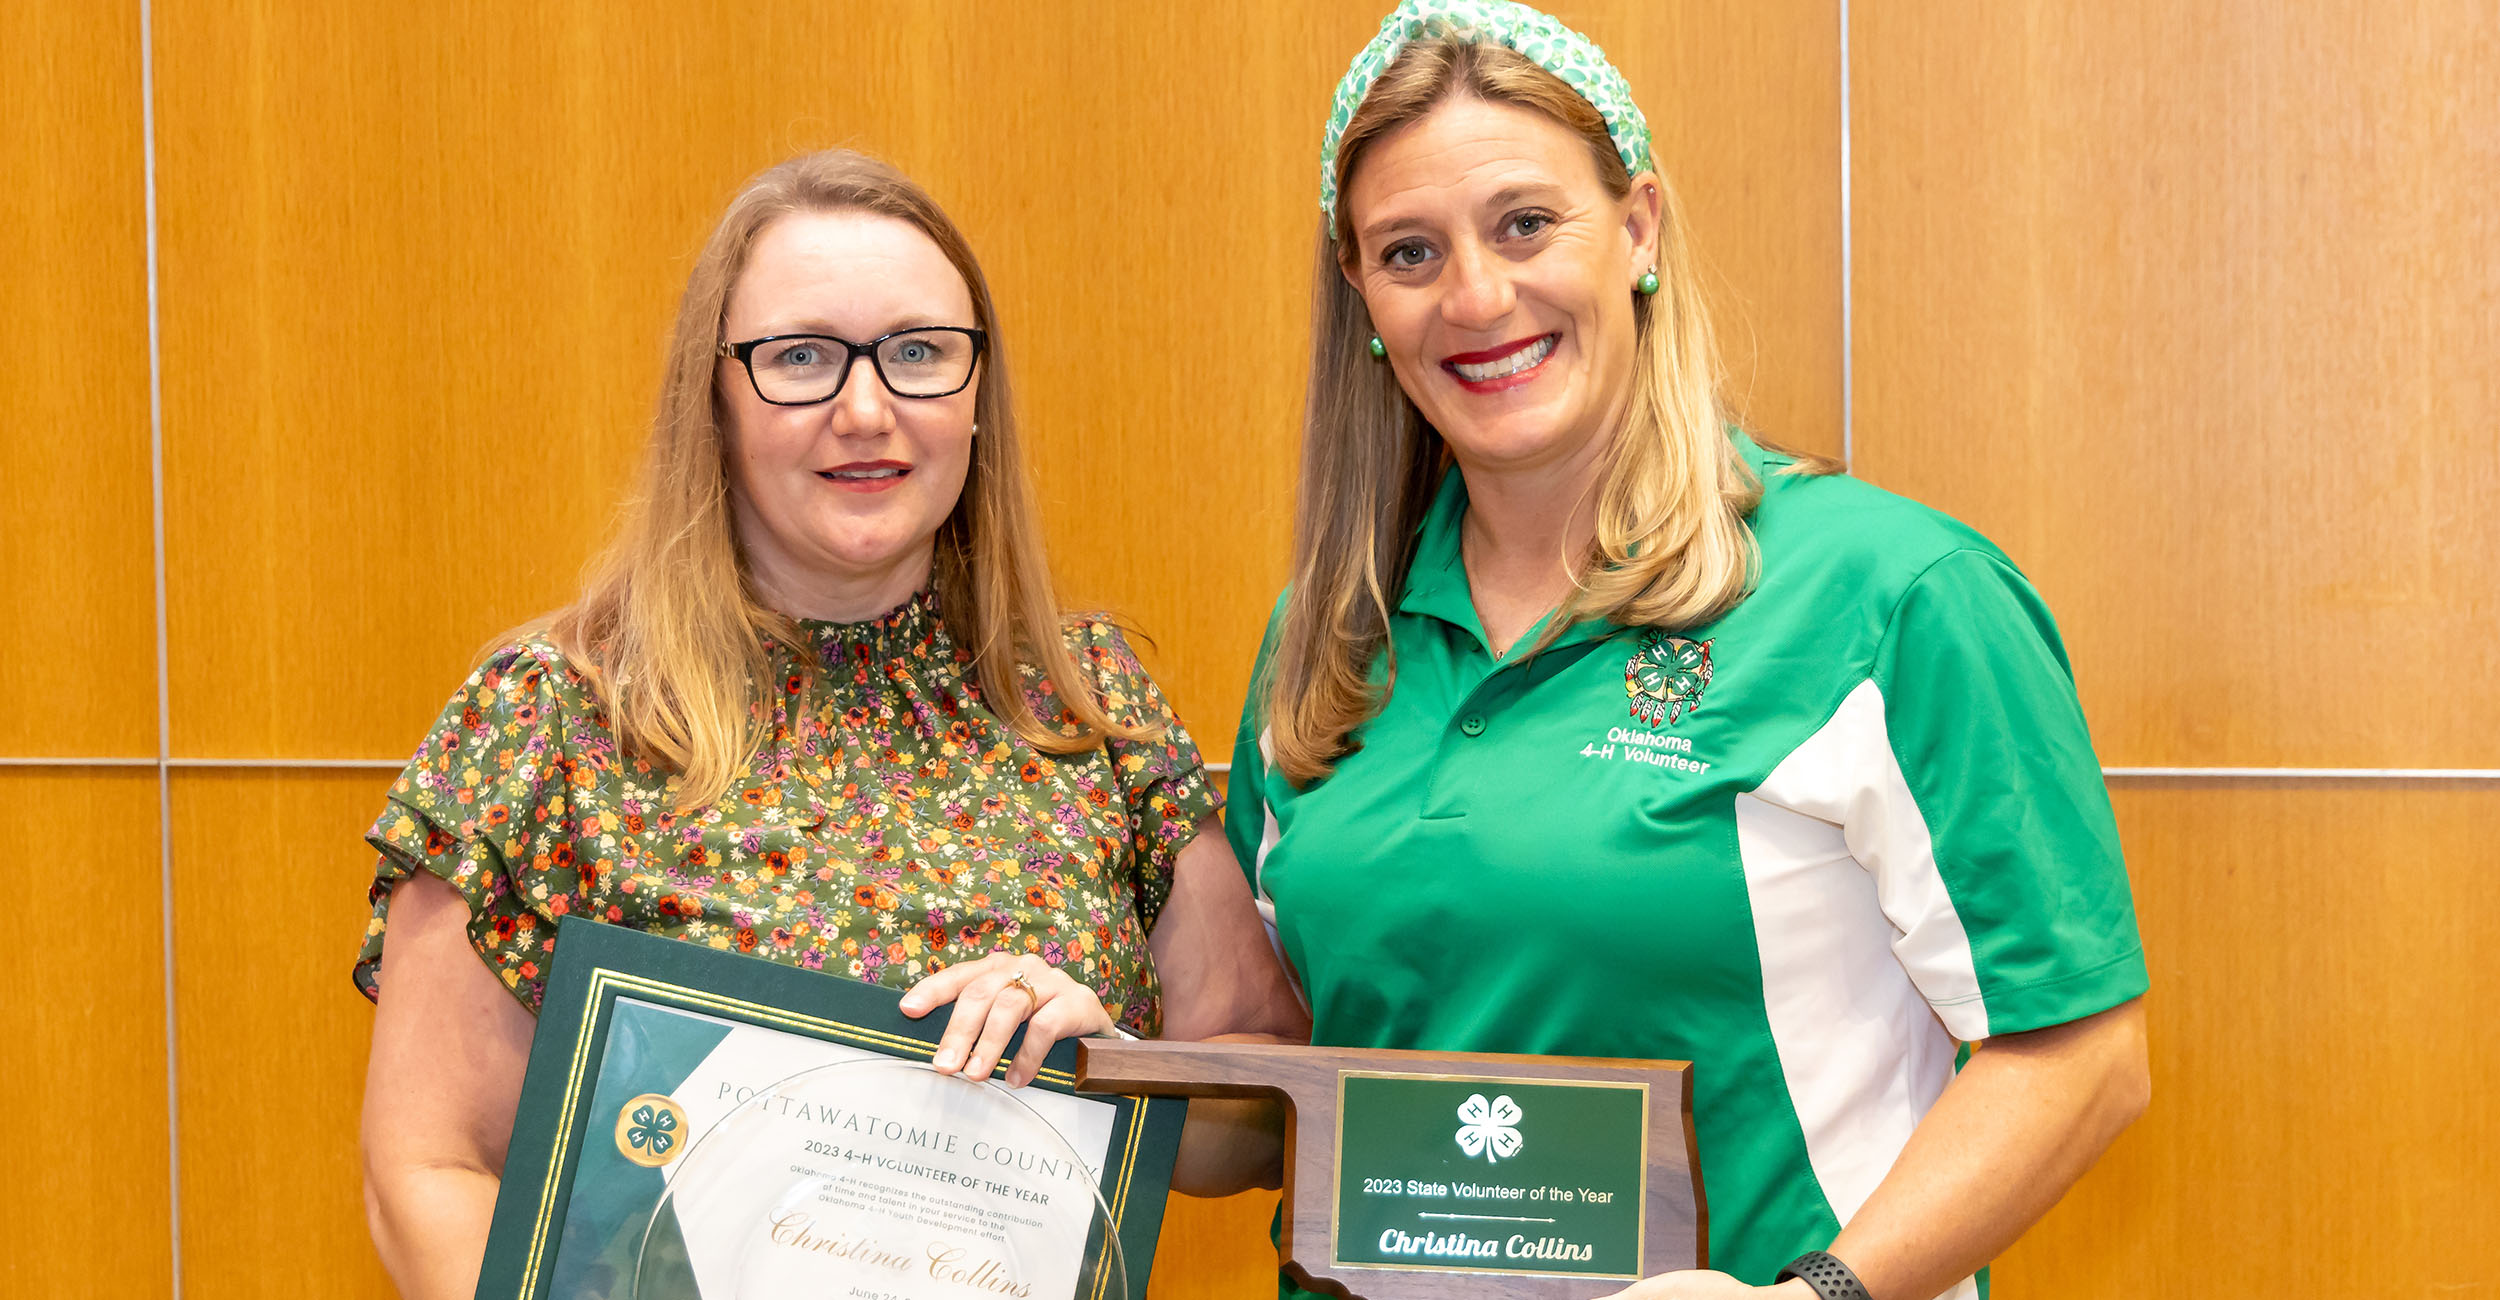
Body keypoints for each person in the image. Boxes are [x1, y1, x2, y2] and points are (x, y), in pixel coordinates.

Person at [1221, 4, 2152, 1298]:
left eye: (1525, 224)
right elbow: (1298, 1070)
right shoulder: (1323, 639)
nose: (1477, 295)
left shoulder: (1889, 592)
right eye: (1410, 251)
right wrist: (1063, 1048)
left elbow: (2081, 1058)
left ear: (1639, 228)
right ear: (1363, 297)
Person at [353, 149, 1299, 1300]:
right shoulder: (555, 714)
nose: (866, 409)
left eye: (917, 354)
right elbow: (431, 1166)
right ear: (715, 395)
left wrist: (1108, 1065)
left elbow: (1257, 1125)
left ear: (975, 394)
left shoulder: (1085, 701)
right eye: (800, 357)